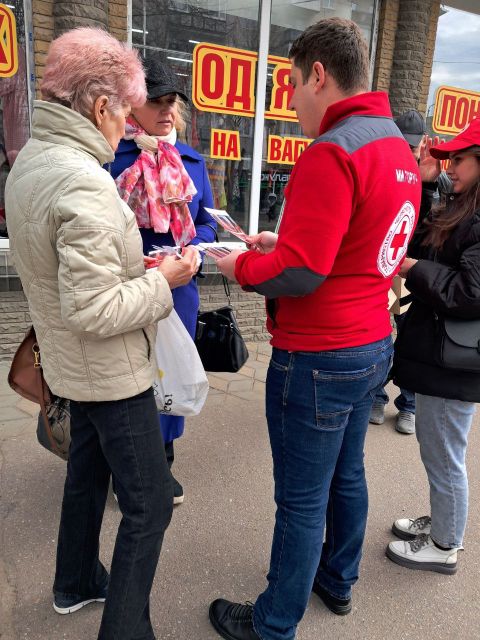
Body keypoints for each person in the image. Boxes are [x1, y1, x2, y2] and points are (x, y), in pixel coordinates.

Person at [207, 17, 421, 640]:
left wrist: (242, 264)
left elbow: (300, 274)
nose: (291, 99)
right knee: (348, 473)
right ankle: (337, 579)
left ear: (319, 75)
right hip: (371, 343)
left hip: (320, 353)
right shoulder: (392, 148)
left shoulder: (332, 151)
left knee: (301, 500)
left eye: (294, 83)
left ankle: (273, 623)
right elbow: (349, 247)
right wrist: (283, 241)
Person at [5, 28, 199, 640]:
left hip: (69, 365)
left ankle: (75, 581)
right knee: (148, 507)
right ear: (98, 107)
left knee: (86, 475)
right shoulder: (83, 180)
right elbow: (93, 309)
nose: (129, 124)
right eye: (125, 111)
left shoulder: (33, 160)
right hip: (110, 370)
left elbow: (69, 279)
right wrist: (164, 279)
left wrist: (131, 271)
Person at [109, 57, 216, 505]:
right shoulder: (113, 156)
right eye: (157, 101)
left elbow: (207, 222)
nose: (167, 110)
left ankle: (163, 464)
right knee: (129, 381)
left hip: (179, 293)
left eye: (172, 101)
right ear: (133, 104)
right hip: (130, 289)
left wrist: (196, 249)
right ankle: (128, 471)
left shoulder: (191, 161)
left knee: (167, 378)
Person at [386, 118, 480, 574]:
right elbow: (428, 241)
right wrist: (425, 187)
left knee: (445, 455)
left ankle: (445, 545)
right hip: (442, 357)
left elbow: (468, 293)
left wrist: (412, 268)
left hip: (453, 363)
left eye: (460, 158)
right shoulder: (463, 204)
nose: (451, 166)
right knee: (437, 449)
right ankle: (443, 524)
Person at [369, 109, 432, 435]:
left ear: (423, 145)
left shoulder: (436, 178)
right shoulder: (386, 169)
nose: (409, 152)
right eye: (403, 145)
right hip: (388, 272)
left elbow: (430, 230)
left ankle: (409, 403)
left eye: (413, 147)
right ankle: (377, 396)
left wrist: (429, 185)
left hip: (414, 274)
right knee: (383, 336)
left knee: (409, 338)